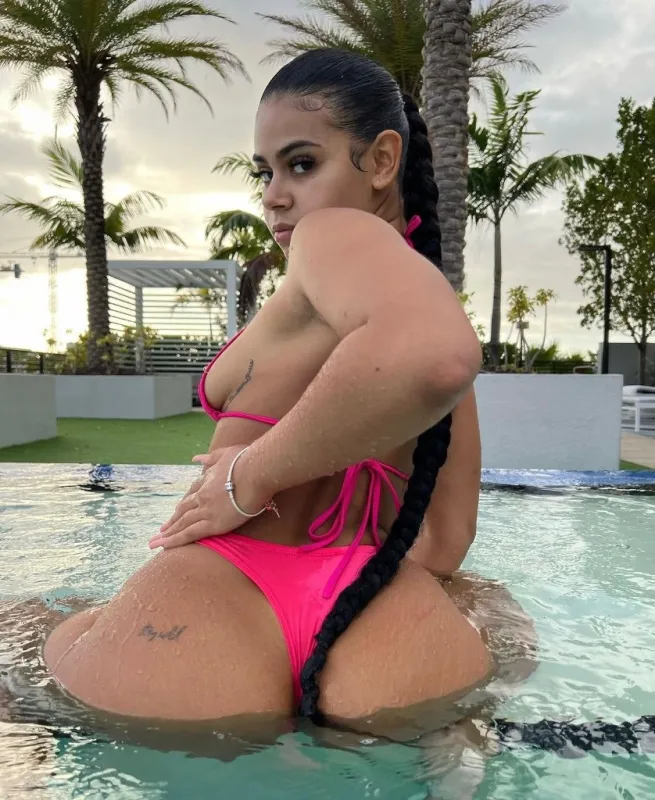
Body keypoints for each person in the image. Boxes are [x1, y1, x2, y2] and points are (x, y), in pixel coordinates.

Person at [42, 48, 492, 729]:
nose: (274, 195)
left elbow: (433, 357)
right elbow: (446, 542)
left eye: (302, 164)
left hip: (200, 617)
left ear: (381, 160)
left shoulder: (330, 236)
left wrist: (246, 478)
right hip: (384, 623)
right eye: (266, 172)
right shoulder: (412, 303)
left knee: (25, 628)